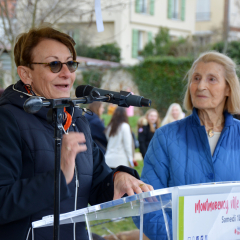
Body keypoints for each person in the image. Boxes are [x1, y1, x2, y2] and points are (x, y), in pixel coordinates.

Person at [0, 26, 153, 240]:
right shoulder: (7, 119)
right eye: (54, 64)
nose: (66, 73)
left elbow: (97, 183)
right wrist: (58, 177)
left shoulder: (75, 119)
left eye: (70, 64)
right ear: (26, 74)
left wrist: (118, 178)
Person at [140, 51, 240, 240]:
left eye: (212, 79)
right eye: (196, 78)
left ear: (228, 88)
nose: (201, 86)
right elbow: (148, 205)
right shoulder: (166, 137)